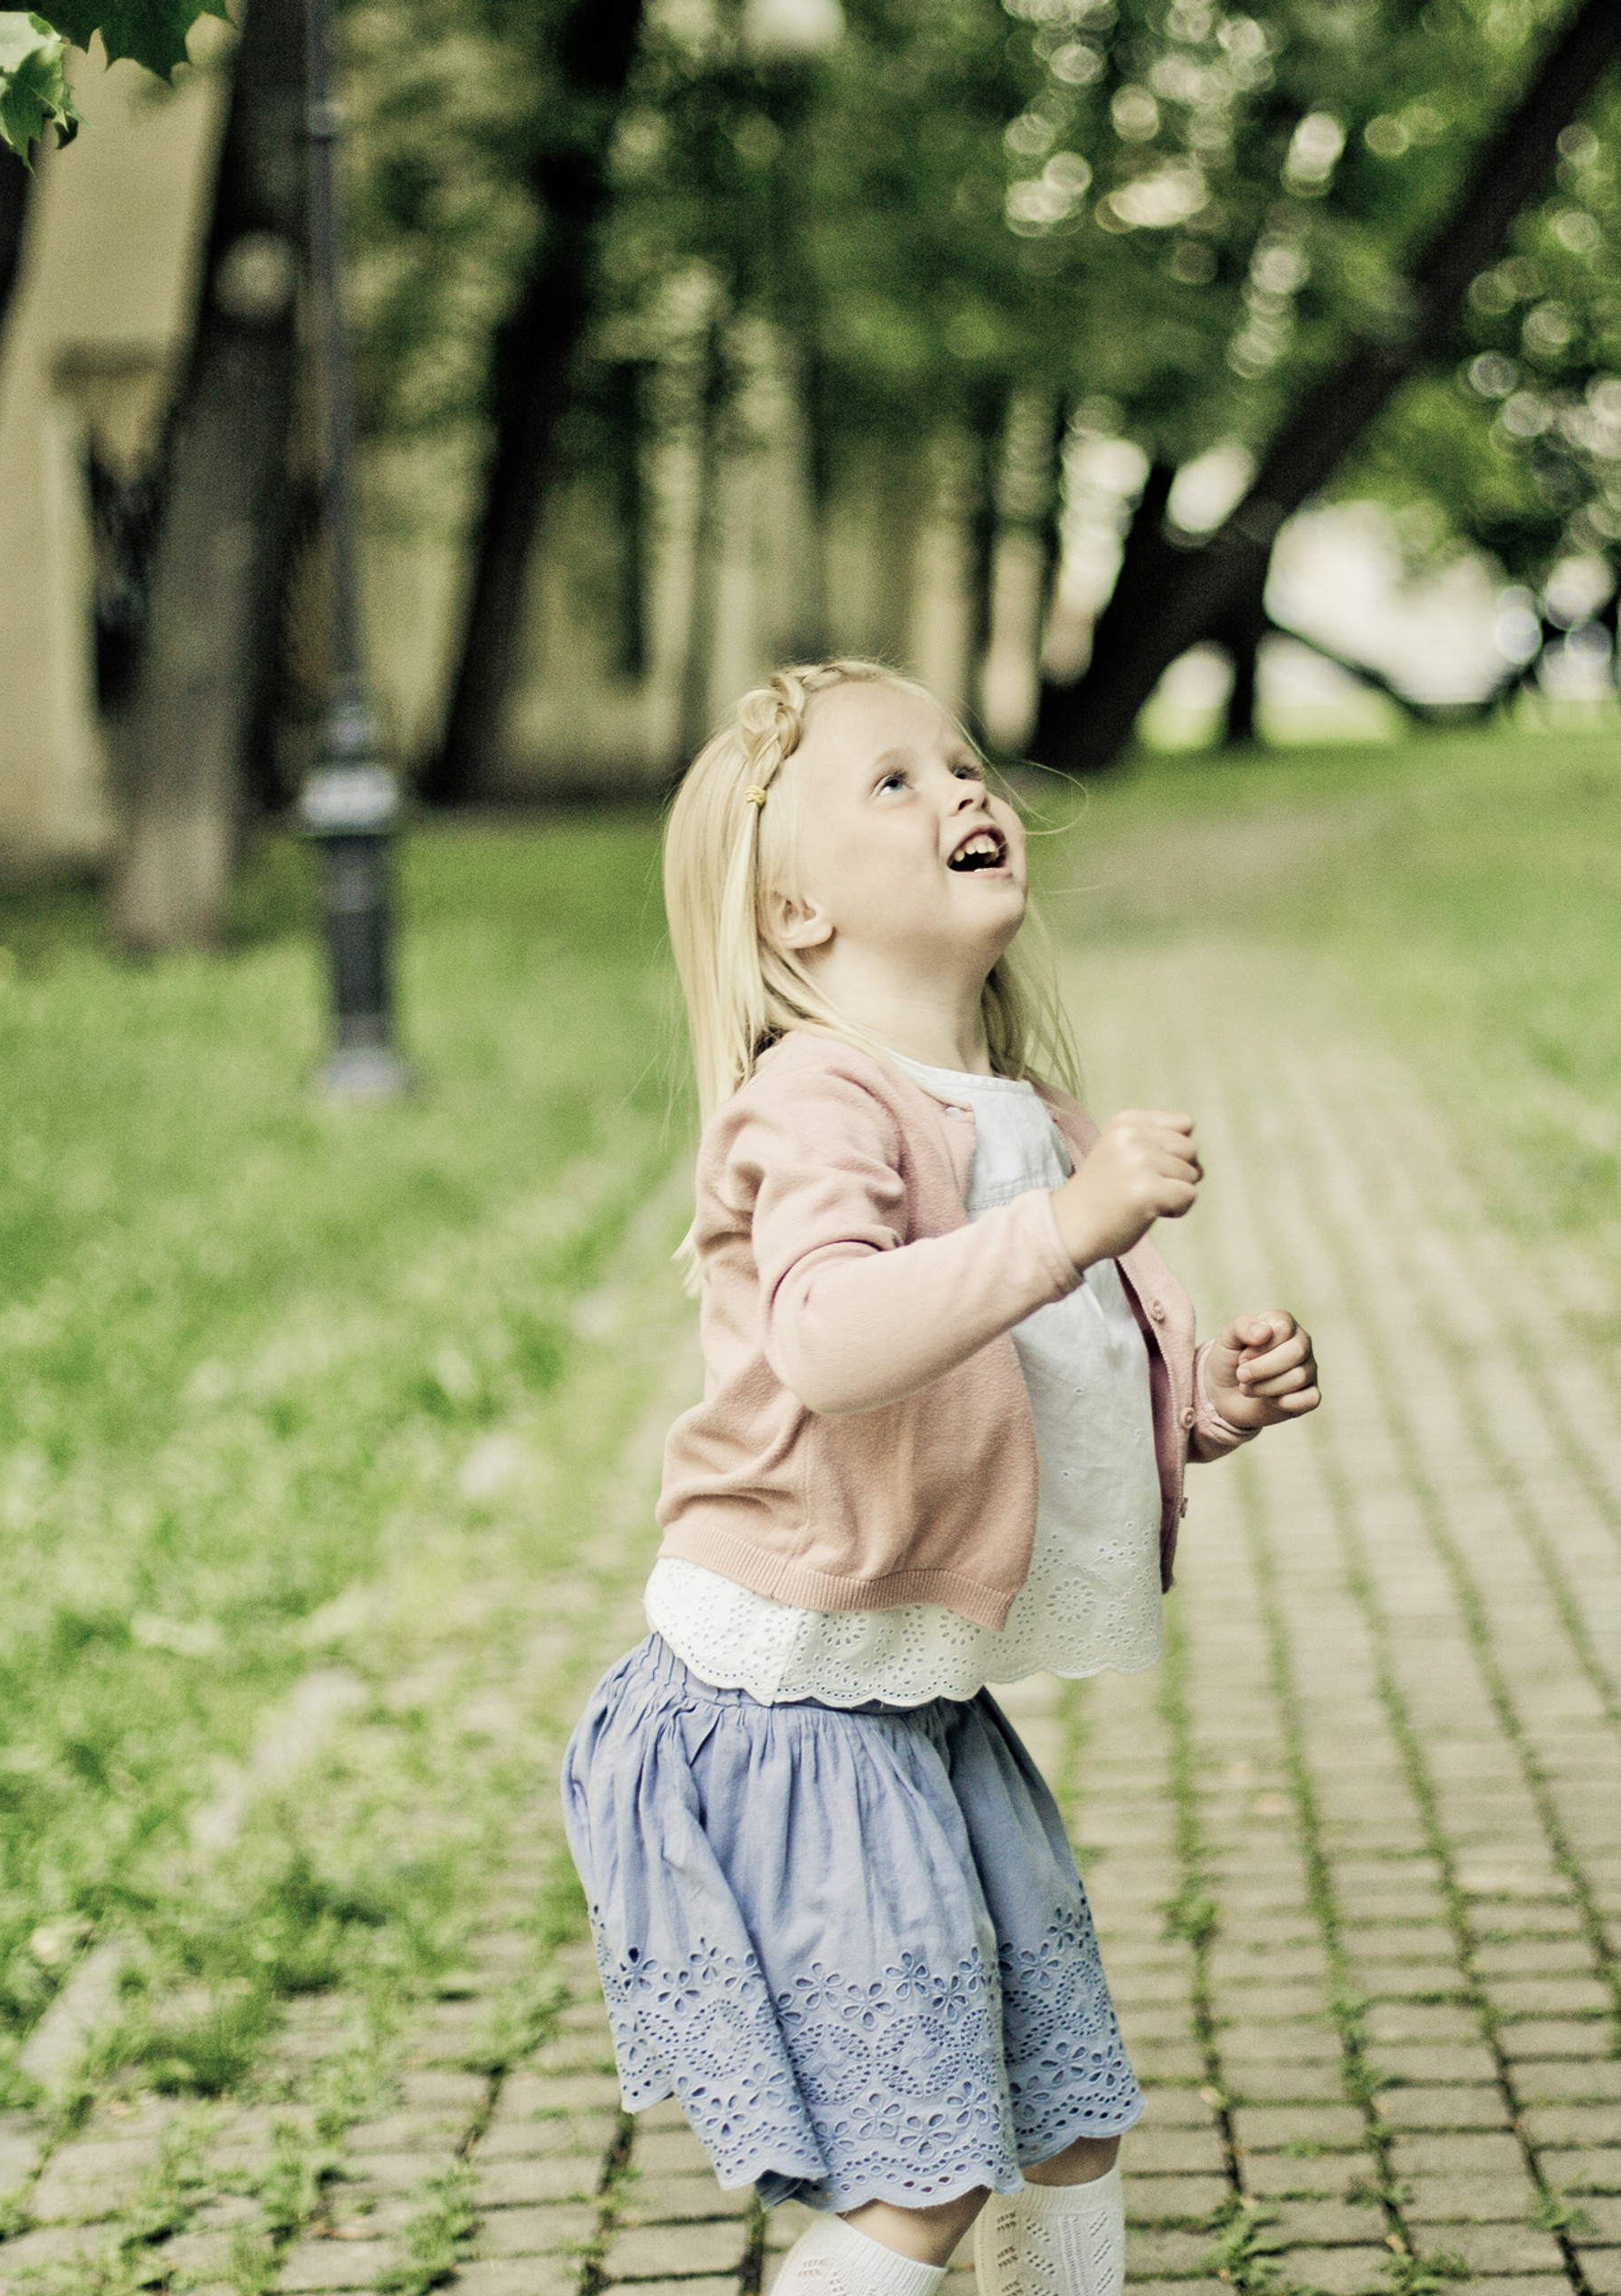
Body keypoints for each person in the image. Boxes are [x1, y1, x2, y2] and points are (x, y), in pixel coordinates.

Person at [562, 662, 1321, 2296]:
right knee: (924, 2176)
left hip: (911, 1695)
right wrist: (1067, 1229)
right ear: (795, 919)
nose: (963, 791)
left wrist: (1208, 1396)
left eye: (963, 764)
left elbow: (1048, 1364)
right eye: (892, 785)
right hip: (789, 1717)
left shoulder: (1024, 1112)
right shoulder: (816, 1100)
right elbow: (835, 1338)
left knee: (1066, 2114)